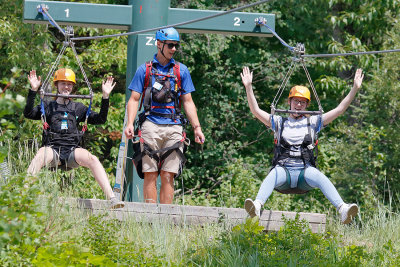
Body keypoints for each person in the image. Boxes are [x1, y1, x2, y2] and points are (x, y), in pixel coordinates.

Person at [241, 66, 364, 224]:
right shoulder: (279, 122)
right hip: (283, 172)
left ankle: (343, 209)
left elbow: (339, 110)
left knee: (318, 176)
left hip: (303, 174)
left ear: (307, 106)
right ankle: (257, 206)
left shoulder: (313, 122)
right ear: (289, 102)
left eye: (303, 102)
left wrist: (354, 88)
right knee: (273, 174)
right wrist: (249, 87)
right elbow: (255, 110)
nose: (299, 105)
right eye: (296, 101)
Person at [124, 27, 205, 204]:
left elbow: (188, 101)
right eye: (170, 45)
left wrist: (197, 128)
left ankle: (166, 218)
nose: (174, 49)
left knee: (168, 175)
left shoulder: (181, 71)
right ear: (159, 44)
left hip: (174, 125)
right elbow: (134, 99)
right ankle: (150, 218)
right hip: (150, 125)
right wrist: (130, 123)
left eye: (176, 45)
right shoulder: (144, 70)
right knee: (150, 174)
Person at [24, 68, 124, 209]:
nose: (66, 87)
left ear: (73, 87)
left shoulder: (78, 108)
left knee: (93, 159)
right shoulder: (48, 106)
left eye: (69, 84)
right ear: (56, 85)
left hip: (72, 150)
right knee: (40, 155)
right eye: (63, 84)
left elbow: (101, 119)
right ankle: (23, 193)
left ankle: (111, 198)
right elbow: (28, 113)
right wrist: (33, 90)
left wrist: (105, 97)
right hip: (53, 150)